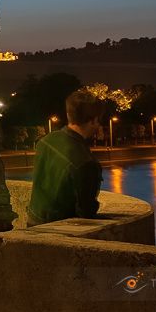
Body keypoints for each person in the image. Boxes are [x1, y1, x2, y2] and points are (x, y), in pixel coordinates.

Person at [27, 89, 104, 226]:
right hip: (57, 232)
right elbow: (86, 212)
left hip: (33, 221)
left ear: (69, 114)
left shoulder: (46, 141)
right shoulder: (86, 162)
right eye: (98, 121)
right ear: (94, 120)